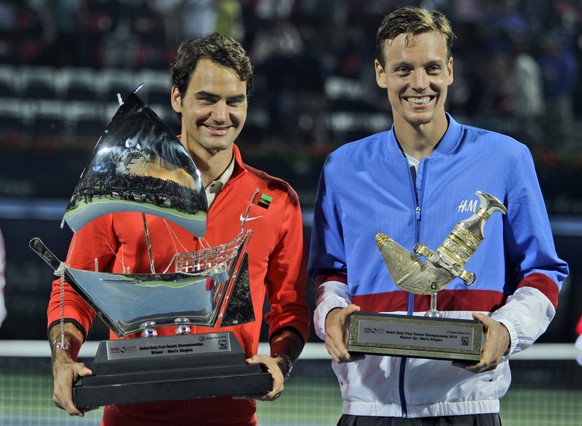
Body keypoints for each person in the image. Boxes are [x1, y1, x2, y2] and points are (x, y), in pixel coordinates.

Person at [308, 7, 569, 426]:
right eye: (403, 69)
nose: (418, 83)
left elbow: (542, 273)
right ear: (380, 73)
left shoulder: (506, 159)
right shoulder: (343, 168)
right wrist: (331, 316)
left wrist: (506, 331)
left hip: (468, 405)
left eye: (431, 68)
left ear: (449, 70)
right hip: (368, 406)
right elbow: (329, 274)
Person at [47, 32, 310, 425]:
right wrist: (63, 359)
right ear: (177, 99)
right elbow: (72, 288)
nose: (221, 116)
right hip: (132, 416)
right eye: (206, 99)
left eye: (234, 101)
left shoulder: (278, 201)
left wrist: (280, 360)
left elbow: (290, 308)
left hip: (232, 416)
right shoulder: (121, 186)